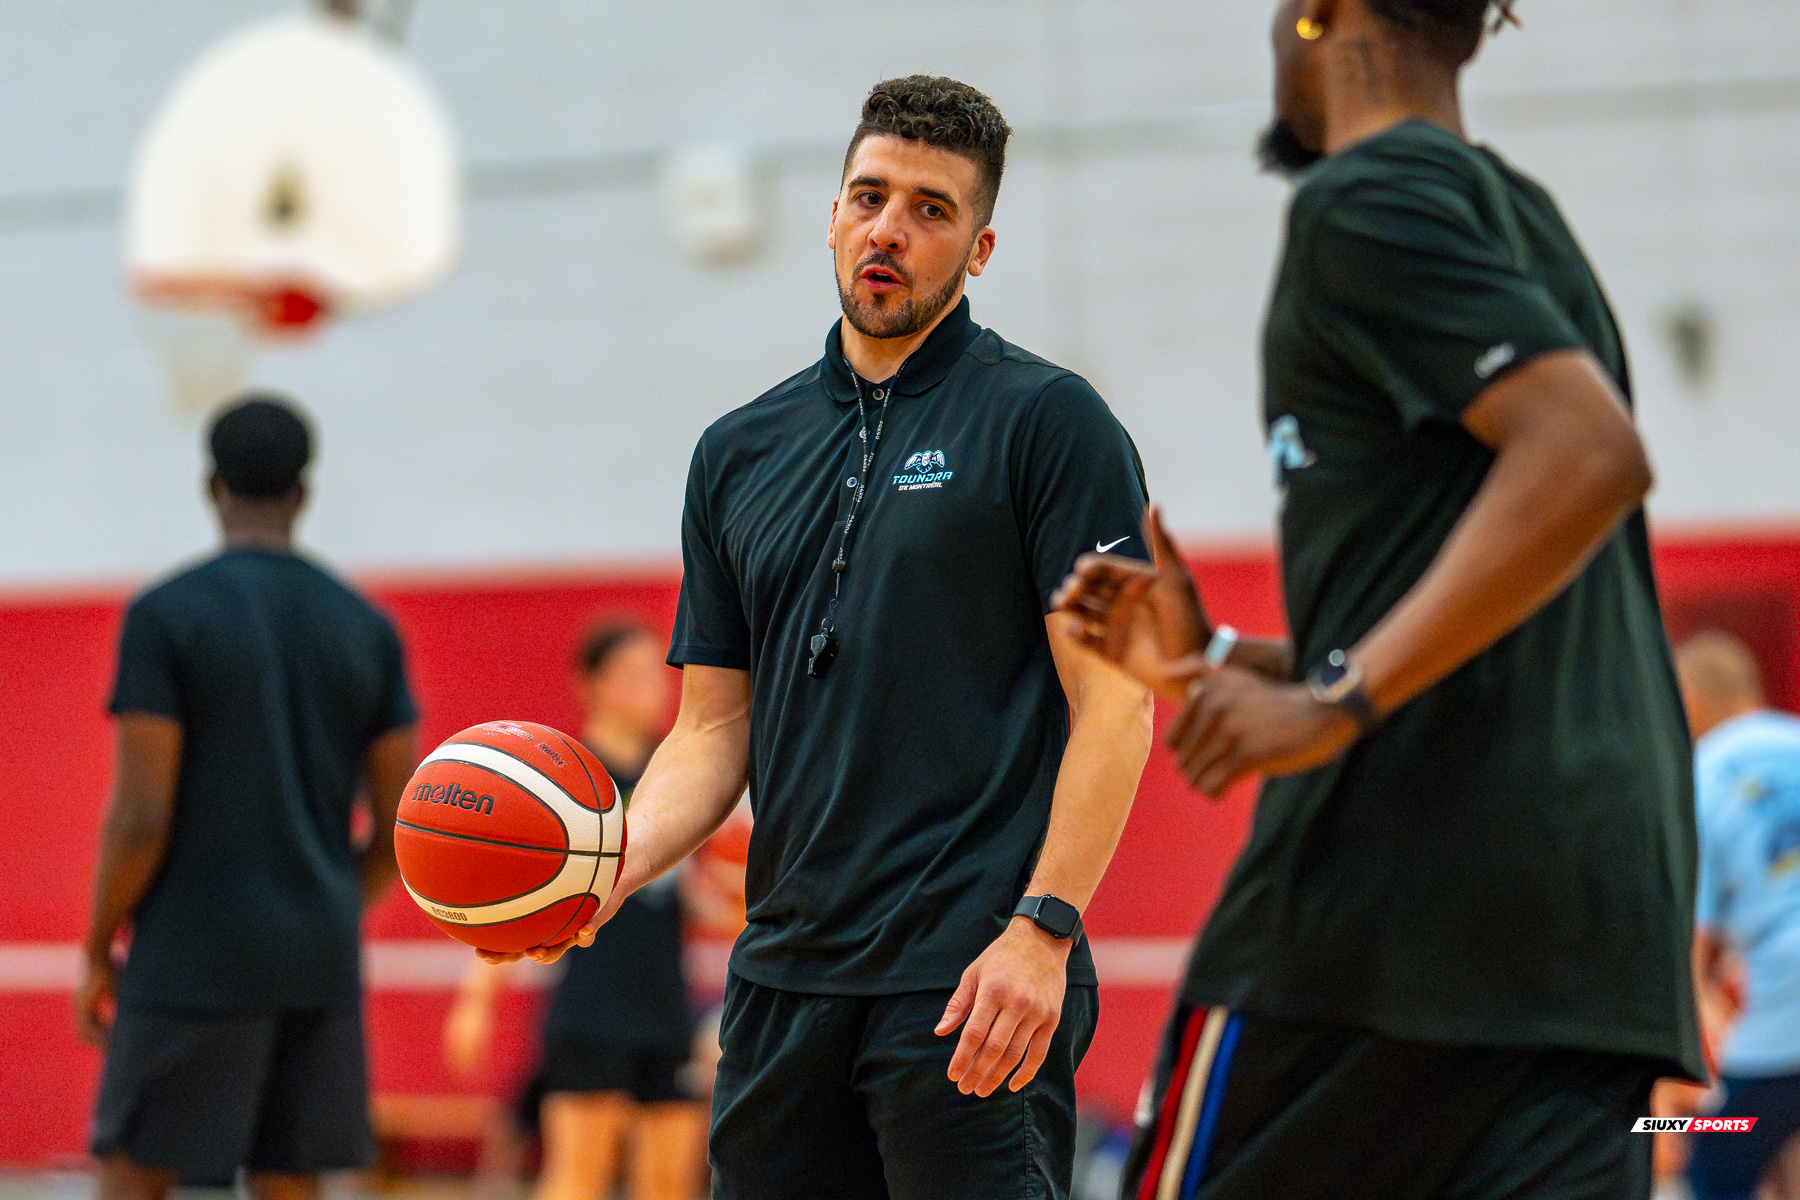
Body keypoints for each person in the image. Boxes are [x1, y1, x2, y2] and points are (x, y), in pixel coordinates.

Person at [1054, 2, 1705, 1197]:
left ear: (1324, 14)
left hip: (1387, 918)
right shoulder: (1531, 223)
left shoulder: (1361, 199)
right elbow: (1504, 628)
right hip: (1593, 943)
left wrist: (1333, 704)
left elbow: (1587, 454)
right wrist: (1232, 658)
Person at [484, 75, 1155, 1199]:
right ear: (833, 216)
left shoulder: (1048, 422)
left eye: (932, 209)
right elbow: (710, 733)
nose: (891, 226)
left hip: (969, 979)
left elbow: (1117, 704)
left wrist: (1043, 932)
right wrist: (602, 872)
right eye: (870, 195)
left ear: (980, 248)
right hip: (783, 986)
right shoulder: (737, 451)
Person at [75, 395, 419, 1200]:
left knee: (136, 1176)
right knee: (290, 1182)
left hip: (191, 955)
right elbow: (404, 822)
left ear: (211, 486)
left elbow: (141, 815)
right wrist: (332, 901)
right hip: (317, 957)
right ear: (304, 492)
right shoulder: (366, 626)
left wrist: (97, 947)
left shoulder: (166, 617)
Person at [446, 620, 728, 1200]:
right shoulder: (567, 781)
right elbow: (511, 898)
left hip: (665, 1004)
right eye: (631, 675)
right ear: (591, 685)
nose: (651, 688)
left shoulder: (672, 779)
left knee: (671, 1185)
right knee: (579, 1180)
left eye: (656, 673)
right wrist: (476, 1003)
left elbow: (681, 892)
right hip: (590, 1005)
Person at [1673, 631, 1800, 1200]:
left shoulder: (1701, 777)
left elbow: (1691, 947)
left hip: (1784, 1015)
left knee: (1713, 1163)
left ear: (1689, 698)